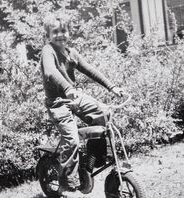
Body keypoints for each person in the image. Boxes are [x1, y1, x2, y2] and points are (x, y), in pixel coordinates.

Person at [40, 14, 124, 195]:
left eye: (64, 30)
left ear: (69, 32)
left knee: (104, 114)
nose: (60, 34)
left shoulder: (71, 52)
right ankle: (67, 185)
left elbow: (89, 69)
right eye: (55, 32)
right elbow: (50, 71)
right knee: (71, 139)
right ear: (48, 35)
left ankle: (92, 161)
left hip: (74, 97)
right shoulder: (48, 51)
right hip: (57, 103)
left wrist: (112, 87)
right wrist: (67, 87)